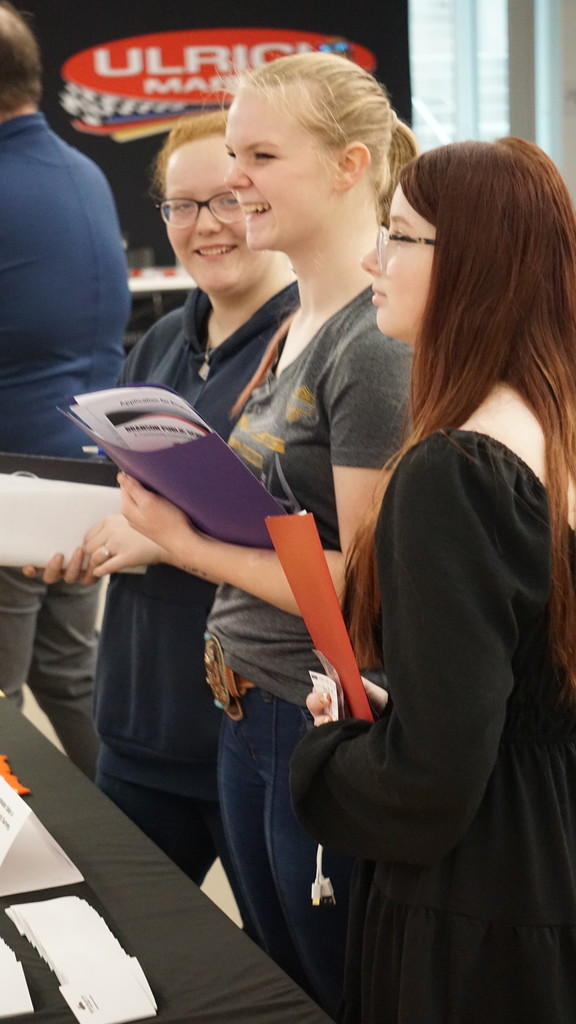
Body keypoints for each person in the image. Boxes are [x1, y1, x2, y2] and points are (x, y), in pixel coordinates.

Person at [117, 52, 415, 1016]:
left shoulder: (371, 341)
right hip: (243, 699)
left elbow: (363, 585)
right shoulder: (303, 319)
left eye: (259, 154)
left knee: (326, 985)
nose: (233, 179)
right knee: (276, 973)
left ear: (347, 166)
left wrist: (180, 539)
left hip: (308, 710)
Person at [290, 137, 576, 1024]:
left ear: (475, 262)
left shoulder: (457, 469)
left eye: (400, 234)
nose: (374, 258)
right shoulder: (553, 422)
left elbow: (432, 780)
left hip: (484, 886)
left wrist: (330, 754)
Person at [39, 110, 298, 925]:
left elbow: (313, 539)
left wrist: (159, 539)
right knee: (124, 940)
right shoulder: (158, 347)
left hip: (252, 728)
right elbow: (121, 498)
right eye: (180, 207)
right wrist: (62, 534)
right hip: (138, 721)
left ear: (263, 201)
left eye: (224, 200)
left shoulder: (309, 352)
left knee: (277, 968)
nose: (204, 228)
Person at [0, 1, 130, 777]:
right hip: (83, 474)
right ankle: (134, 843)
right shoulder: (79, 171)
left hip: (12, 483)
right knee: (64, 674)